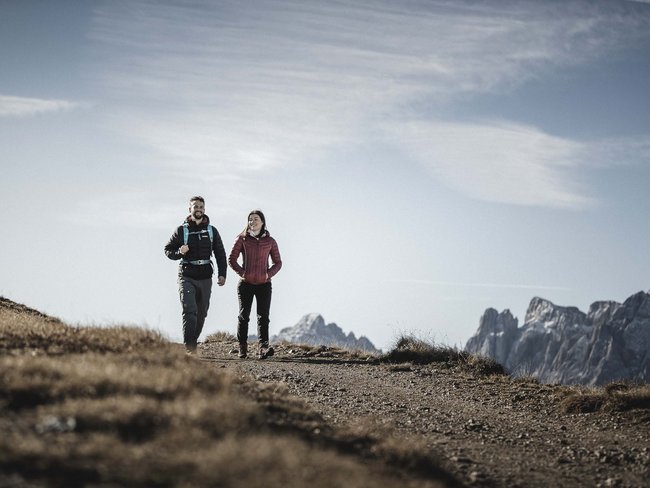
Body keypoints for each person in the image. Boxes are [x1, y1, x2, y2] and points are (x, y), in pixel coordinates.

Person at [164, 196, 227, 354]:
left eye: (201, 206)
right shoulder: (181, 230)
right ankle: (190, 348)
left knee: (202, 312)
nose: (198, 209)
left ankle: (192, 341)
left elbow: (220, 253)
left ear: (204, 209)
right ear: (189, 209)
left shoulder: (212, 231)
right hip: (187, 275)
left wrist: (222, 274)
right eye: (195, 206)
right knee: (189, 309)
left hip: (205, 276)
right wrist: (179, 251)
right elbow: (168, 250)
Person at [229, 209, 282, 359]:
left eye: (255, 219)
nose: (252, 221)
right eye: (250, 219)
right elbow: (231, 259)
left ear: (263, 222)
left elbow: (278, 263)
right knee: (243, 316)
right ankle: (242, 348)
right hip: (245, 284)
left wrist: (267, 274)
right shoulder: (242, 239)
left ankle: (263, 348)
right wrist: (243, 273)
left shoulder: (270, 241)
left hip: (264, 284)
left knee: (263, 317)